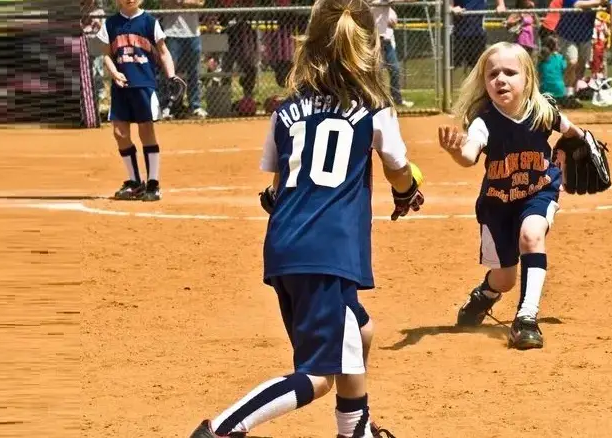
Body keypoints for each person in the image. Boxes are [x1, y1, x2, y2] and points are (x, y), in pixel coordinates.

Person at [187, 0, 425, 436]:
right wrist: (408, 190)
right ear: (369, 51)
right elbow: (397, 169)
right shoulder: (375, 107)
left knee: (360, 329)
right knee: (316, 376)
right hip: (329, 251)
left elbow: (278, 186)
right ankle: (221, 428)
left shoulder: (285, 110)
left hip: (286, 246)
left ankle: (356, 429)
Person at [438, 42, 593, 350]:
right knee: (505, 278)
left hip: (539, 191)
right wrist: (457, 152)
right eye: (493, 73)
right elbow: (470, 155)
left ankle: (526, 318)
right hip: (497, 204)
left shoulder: (542, 111)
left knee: (532, 235)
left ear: (527, 79)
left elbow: (572, 131)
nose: (501, 79)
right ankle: (486, 294)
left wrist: (584, 143)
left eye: (510, 72)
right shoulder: (484, 121)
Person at [97, 0, 181, 201]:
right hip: (121, 86)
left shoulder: (149, 22)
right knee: (119, 133)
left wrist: (171, 75)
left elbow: (163, 52)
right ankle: (135, 182)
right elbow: (106, 55)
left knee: (146, 132)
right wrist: (115, 73)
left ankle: (153, 184)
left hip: (144, 84)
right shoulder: (110, 24)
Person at [372, 0, 414, 107]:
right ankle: (377, 101)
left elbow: (393, 22)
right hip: (374, 41)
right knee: (377, 72)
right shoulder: (371, 3)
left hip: (387, 42)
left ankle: (397, 100)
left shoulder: (389, 7)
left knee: (395, 69)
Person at [537, 36, 579, 108]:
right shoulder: (559, 57)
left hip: (544, 92)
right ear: (555, 47)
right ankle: (559, 102)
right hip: (559, 91)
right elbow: (565, 70)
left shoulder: (541, 59)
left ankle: (552, 102)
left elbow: (540, 73)